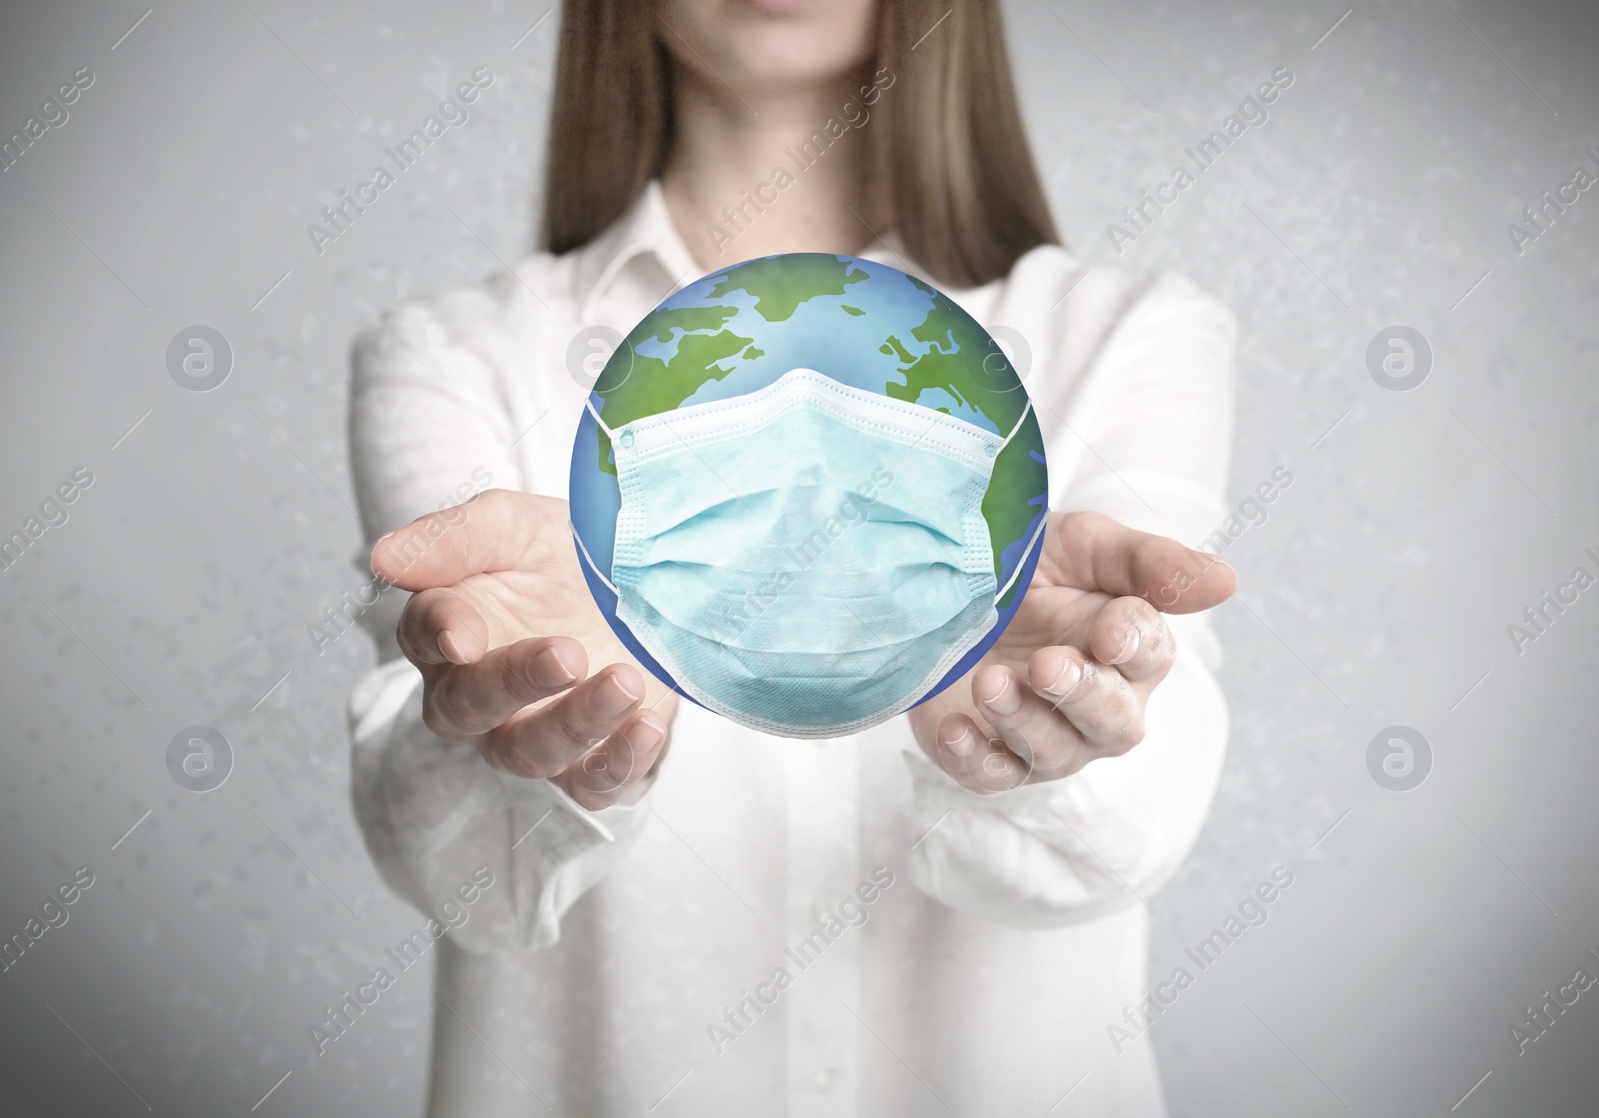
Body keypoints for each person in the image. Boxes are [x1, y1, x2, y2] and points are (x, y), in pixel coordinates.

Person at [347, 1, 1237, 1114]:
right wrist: (530, 724)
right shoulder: (449, 357)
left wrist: (1053, 719)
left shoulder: (1128, 334)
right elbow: (461, 872)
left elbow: (1135, 827)